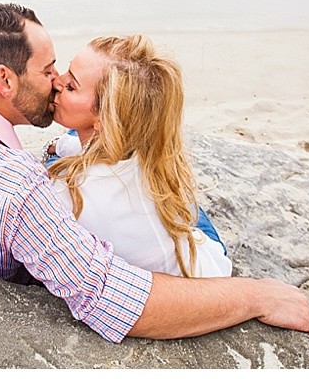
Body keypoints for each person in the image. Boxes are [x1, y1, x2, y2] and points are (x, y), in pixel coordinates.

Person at [0, 3, 309, 343]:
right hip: (172, 239)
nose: (55, 81)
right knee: (167, 195)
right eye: (50, 71)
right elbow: (116, 298)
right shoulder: (19, 194)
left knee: (149, 185)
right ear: (5, 81)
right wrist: (259, 295)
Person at [45, 34, 231, 278]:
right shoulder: (146, 152)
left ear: (106, 116)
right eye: (68, 71)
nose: (57, 81)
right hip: (184, 240)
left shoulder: (68, 193)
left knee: (61, 154)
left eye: (71, 86)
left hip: (207, 267)